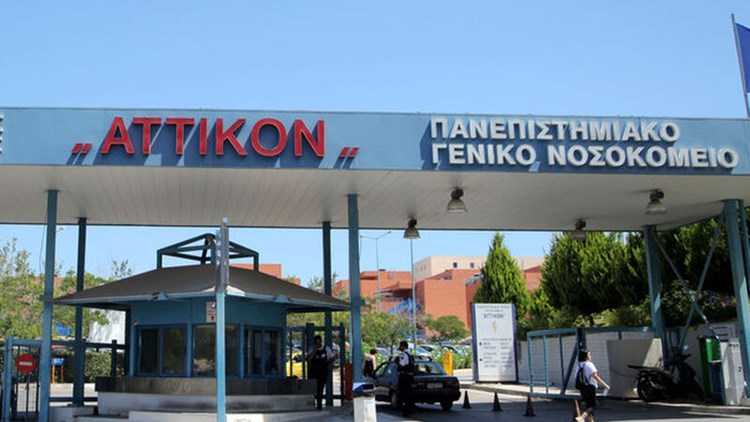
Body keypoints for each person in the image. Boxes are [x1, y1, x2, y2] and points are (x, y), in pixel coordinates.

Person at [575, 350, 610, 422]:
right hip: (590, 387)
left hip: (582, 388)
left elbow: (576, 377)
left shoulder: (579, 365)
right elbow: (595, 376)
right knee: (593, 406)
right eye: (589, 355)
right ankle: (581, 417)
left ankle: (591, 420)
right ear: (586, 356)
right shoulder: (589, 364)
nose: (590, 356)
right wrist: (605, 385)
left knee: (588, 405)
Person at [306, 335, 336, 410]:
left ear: (321, 341)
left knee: (321, 388)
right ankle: (312, 403)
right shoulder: (312, 349)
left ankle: (319, 404)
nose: (318, 344)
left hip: (322, 372)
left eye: (319, 342)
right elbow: (308, 359)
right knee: (313, 388)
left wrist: (328, 363)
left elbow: (332, 357)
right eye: (316, 343)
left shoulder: (326, 349)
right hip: (313, 372)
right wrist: (315, 350)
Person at [395, 340, 415, 416]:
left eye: (400, 346)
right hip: (410, 376)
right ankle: (410, 410)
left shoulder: (403, 354)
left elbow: (401, 365)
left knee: (403, 394)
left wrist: (397, 362)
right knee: (409, 394)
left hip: (404, 376)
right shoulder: (410, 354)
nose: (400, 348)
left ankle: (406, 411)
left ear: (403, 346)